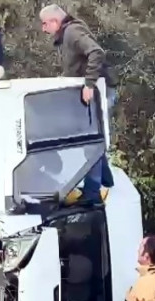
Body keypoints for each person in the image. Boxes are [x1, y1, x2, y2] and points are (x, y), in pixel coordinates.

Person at [39, 4, 116, 205]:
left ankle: (92, 193)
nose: (43, 28)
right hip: (92, 92)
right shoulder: (67, 35)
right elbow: (77, 65)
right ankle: (104, 180)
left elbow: (96, 52)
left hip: (100, 91)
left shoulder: (73, 32)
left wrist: (89, 83)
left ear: (55, 21)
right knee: (89, 140)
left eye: (45, 23)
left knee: (90, 141)